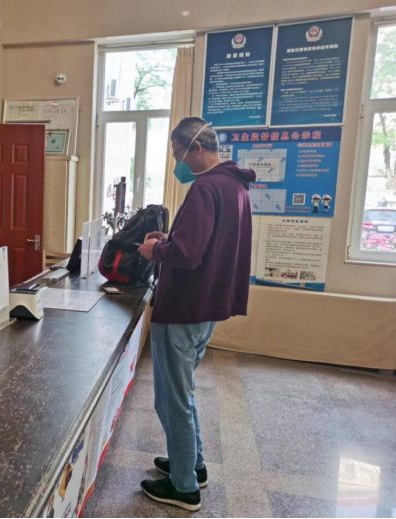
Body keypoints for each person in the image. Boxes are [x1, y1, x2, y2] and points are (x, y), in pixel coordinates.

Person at [138, 118, 256, 512]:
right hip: (208, 307)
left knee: (171, 400)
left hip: (183, 308)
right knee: (183, 393)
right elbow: (208, 245)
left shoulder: (205, 187)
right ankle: (193, 465)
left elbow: (187, 255)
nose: (178, 164)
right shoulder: (236, 186)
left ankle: (184, 487)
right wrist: (170, 240)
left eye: (178, 155)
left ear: (197, 149)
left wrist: (155, 250)